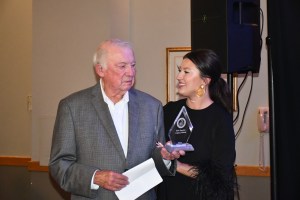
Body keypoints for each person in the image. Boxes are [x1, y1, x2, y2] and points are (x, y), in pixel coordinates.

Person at [49, 38, 183, 200]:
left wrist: (165, 157)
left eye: (132, 65)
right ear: (100, 70)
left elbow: (155, 161)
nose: (131, 72)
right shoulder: (72, 107)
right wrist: (95, 177)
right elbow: (59, 165)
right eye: (122, 66)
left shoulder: (152, 107)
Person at [157, 49, 237, 200]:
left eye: (186, 72)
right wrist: (162, 154)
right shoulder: (169, 111)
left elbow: (219, 175)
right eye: (180, 70)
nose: (179, 76)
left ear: (204, 81)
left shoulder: (219, 119)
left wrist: (176, 165)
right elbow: (152, 147)